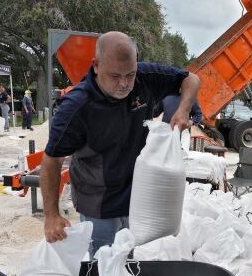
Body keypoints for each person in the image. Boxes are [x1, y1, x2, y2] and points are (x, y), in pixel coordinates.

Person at [41, 31, 200, 256]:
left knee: (129, 257)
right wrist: (51, 215)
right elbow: (51, 160)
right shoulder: (75, 108)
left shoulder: (146, 77)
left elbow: (191, 79)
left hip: (136, 197)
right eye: (115, 76)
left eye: (130, 74)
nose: (124, 84)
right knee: (103, 262)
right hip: (98, 202)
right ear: (96, 66)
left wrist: (183, 110)